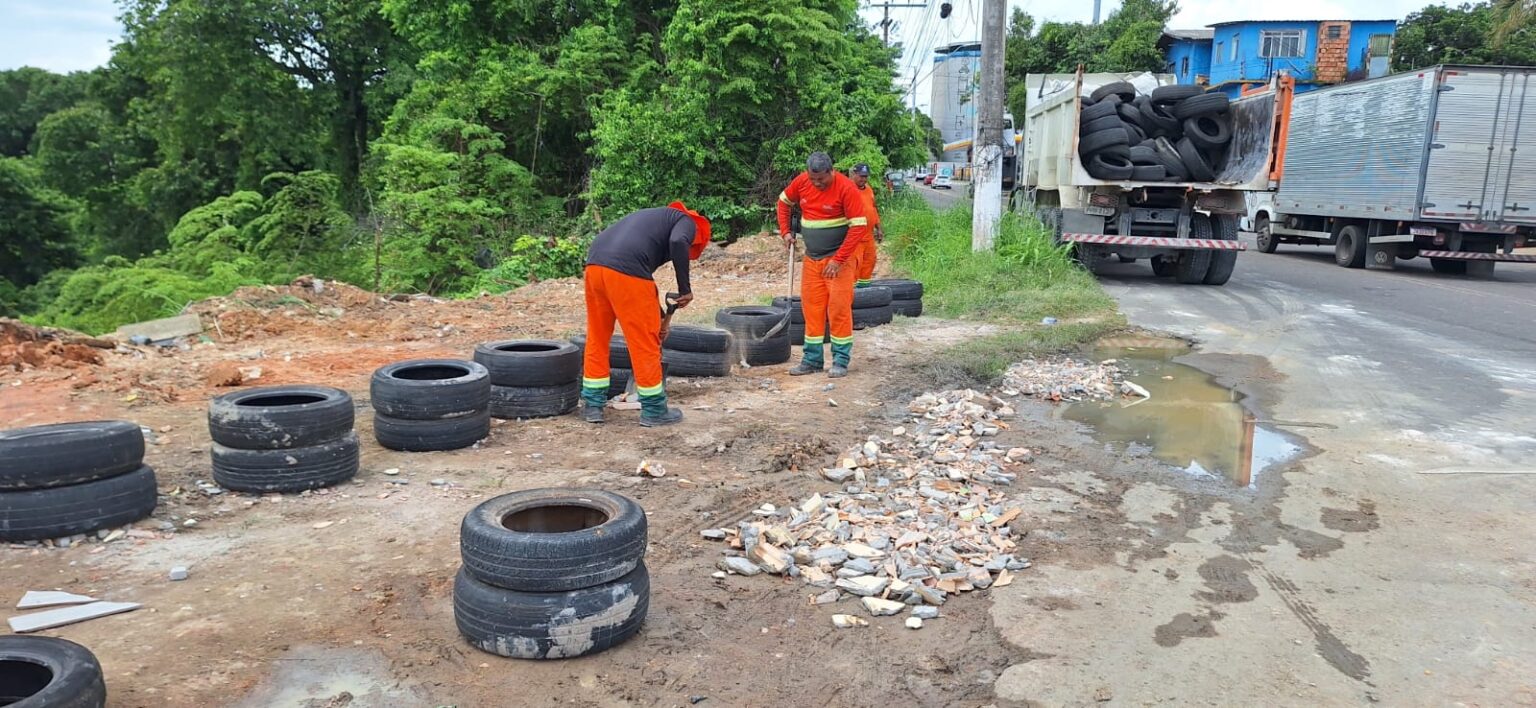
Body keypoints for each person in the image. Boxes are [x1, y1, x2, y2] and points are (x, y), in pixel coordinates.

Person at [581, 201, 711, 426]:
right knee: (644, 342)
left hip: (595, 266)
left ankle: (593, 406)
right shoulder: (687, 222)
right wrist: (685, 290)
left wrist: (661, 319)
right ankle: (654, 410)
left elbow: (641, 287)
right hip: (625, 270)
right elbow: (677, 241)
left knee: (597, 337)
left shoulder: (651, 219)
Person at [776, 152, 869, 378]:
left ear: (832, 171)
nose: (816, 183)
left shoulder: (847, 189)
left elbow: (858, 227)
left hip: (840, 261)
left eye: (821, 179)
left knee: (838, 310)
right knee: (812, 310)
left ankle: (840, 360)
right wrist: (786, 232)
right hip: (812, 260)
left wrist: (838, 260)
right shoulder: (802, 182)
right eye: (813, 178)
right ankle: (812, 360)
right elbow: (783, 202)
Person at [849, 163, 884, 288]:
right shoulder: (848, 190)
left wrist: (879, 228)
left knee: (870, 261)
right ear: (854, 175)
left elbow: (873, 209)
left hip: (868, 236)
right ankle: (851, 294)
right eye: (861, 176)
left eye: (865, 176)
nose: (863, 179)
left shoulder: (869, 189)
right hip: (854, 238)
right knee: (854, 265)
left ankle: (865, 290)